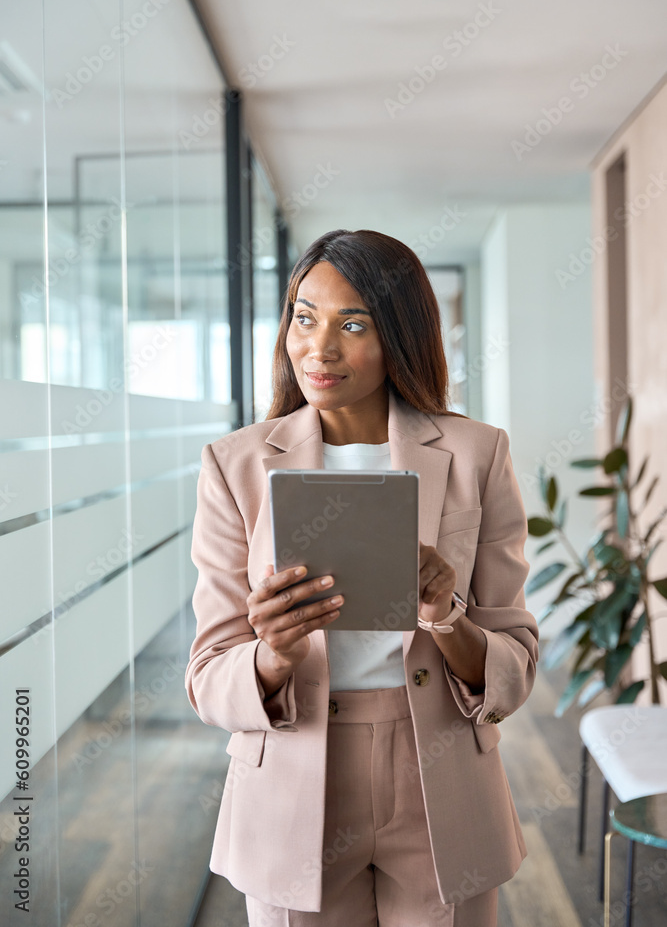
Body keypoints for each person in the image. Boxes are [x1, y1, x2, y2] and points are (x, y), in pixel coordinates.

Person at [185, 228, 539, 927]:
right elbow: (207, 679)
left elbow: (514, 670)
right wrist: (272, 655)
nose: (319, 347)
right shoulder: (235, 465)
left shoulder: (476, 455)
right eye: (304, 316)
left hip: (438, 770)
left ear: (401, 335)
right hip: (292, 780)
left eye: (353, 324)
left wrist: (444, 615)